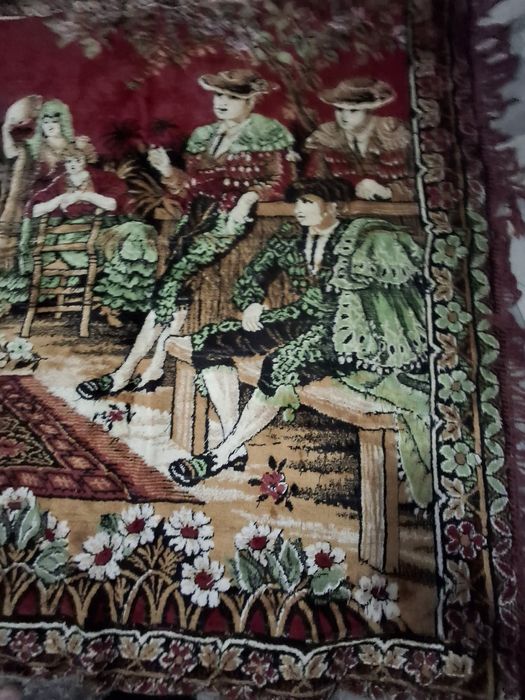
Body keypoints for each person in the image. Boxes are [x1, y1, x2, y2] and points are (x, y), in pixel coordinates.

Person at [164, 178, 432, 508]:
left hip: (341, 330)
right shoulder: (290, 236)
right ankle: (235, 442)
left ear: (332, 206)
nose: (299, 209)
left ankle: (219, 455)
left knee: (279, 365)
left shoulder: (356, 239)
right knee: (212, 341)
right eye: (297, 203)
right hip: (302, 315)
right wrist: (252, 302)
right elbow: (255, 273)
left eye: (308, 201)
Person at [77, 69, 296, 400]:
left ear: (251, 101)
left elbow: (279, 182)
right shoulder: (206, 135)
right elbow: (190, 188)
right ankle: (151, 368)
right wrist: (167, 171)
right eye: (218, 95)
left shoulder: (266, 133)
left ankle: (125, 373)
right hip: (196, 219)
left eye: (232, 97)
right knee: (175, 292)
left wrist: (249, 197)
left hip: (232, 223)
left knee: (172, 285)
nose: (222, 103)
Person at [16, 141, 158, 324]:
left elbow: (111, 204)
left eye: (77, 160)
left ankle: (124, 305)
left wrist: (84, 196)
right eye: (69, 161)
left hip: (101, 232)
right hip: (74, 242)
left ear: (84, 160)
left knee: (137, 232)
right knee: (123, 240)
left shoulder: (100, 178)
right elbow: (34, 209)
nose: (73, 165)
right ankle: (113, 308)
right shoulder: (59, 183)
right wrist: (59, 199)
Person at [304, 78, 414, 202]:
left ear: (368, 111)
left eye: (353, 110)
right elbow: (314, 181)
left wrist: (389, 192)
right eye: (339, 109)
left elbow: (417, 181)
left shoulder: (392, 132)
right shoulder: (327, 136)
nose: (344, 117)